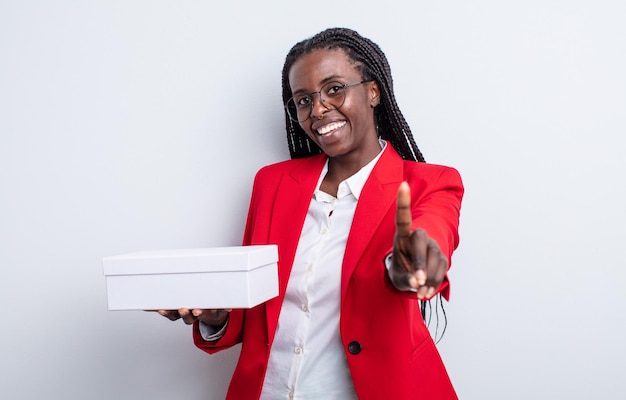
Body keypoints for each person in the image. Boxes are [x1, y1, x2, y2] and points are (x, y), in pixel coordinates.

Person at [158, 27, 464, 399]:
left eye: (334, 89)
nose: (317, 110)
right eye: (303, 100)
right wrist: (216, 316)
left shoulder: (430, 183)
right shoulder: (272, 184)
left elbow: (432, 234)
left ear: (373, 91)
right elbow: (254, 307)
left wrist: (414, 262)